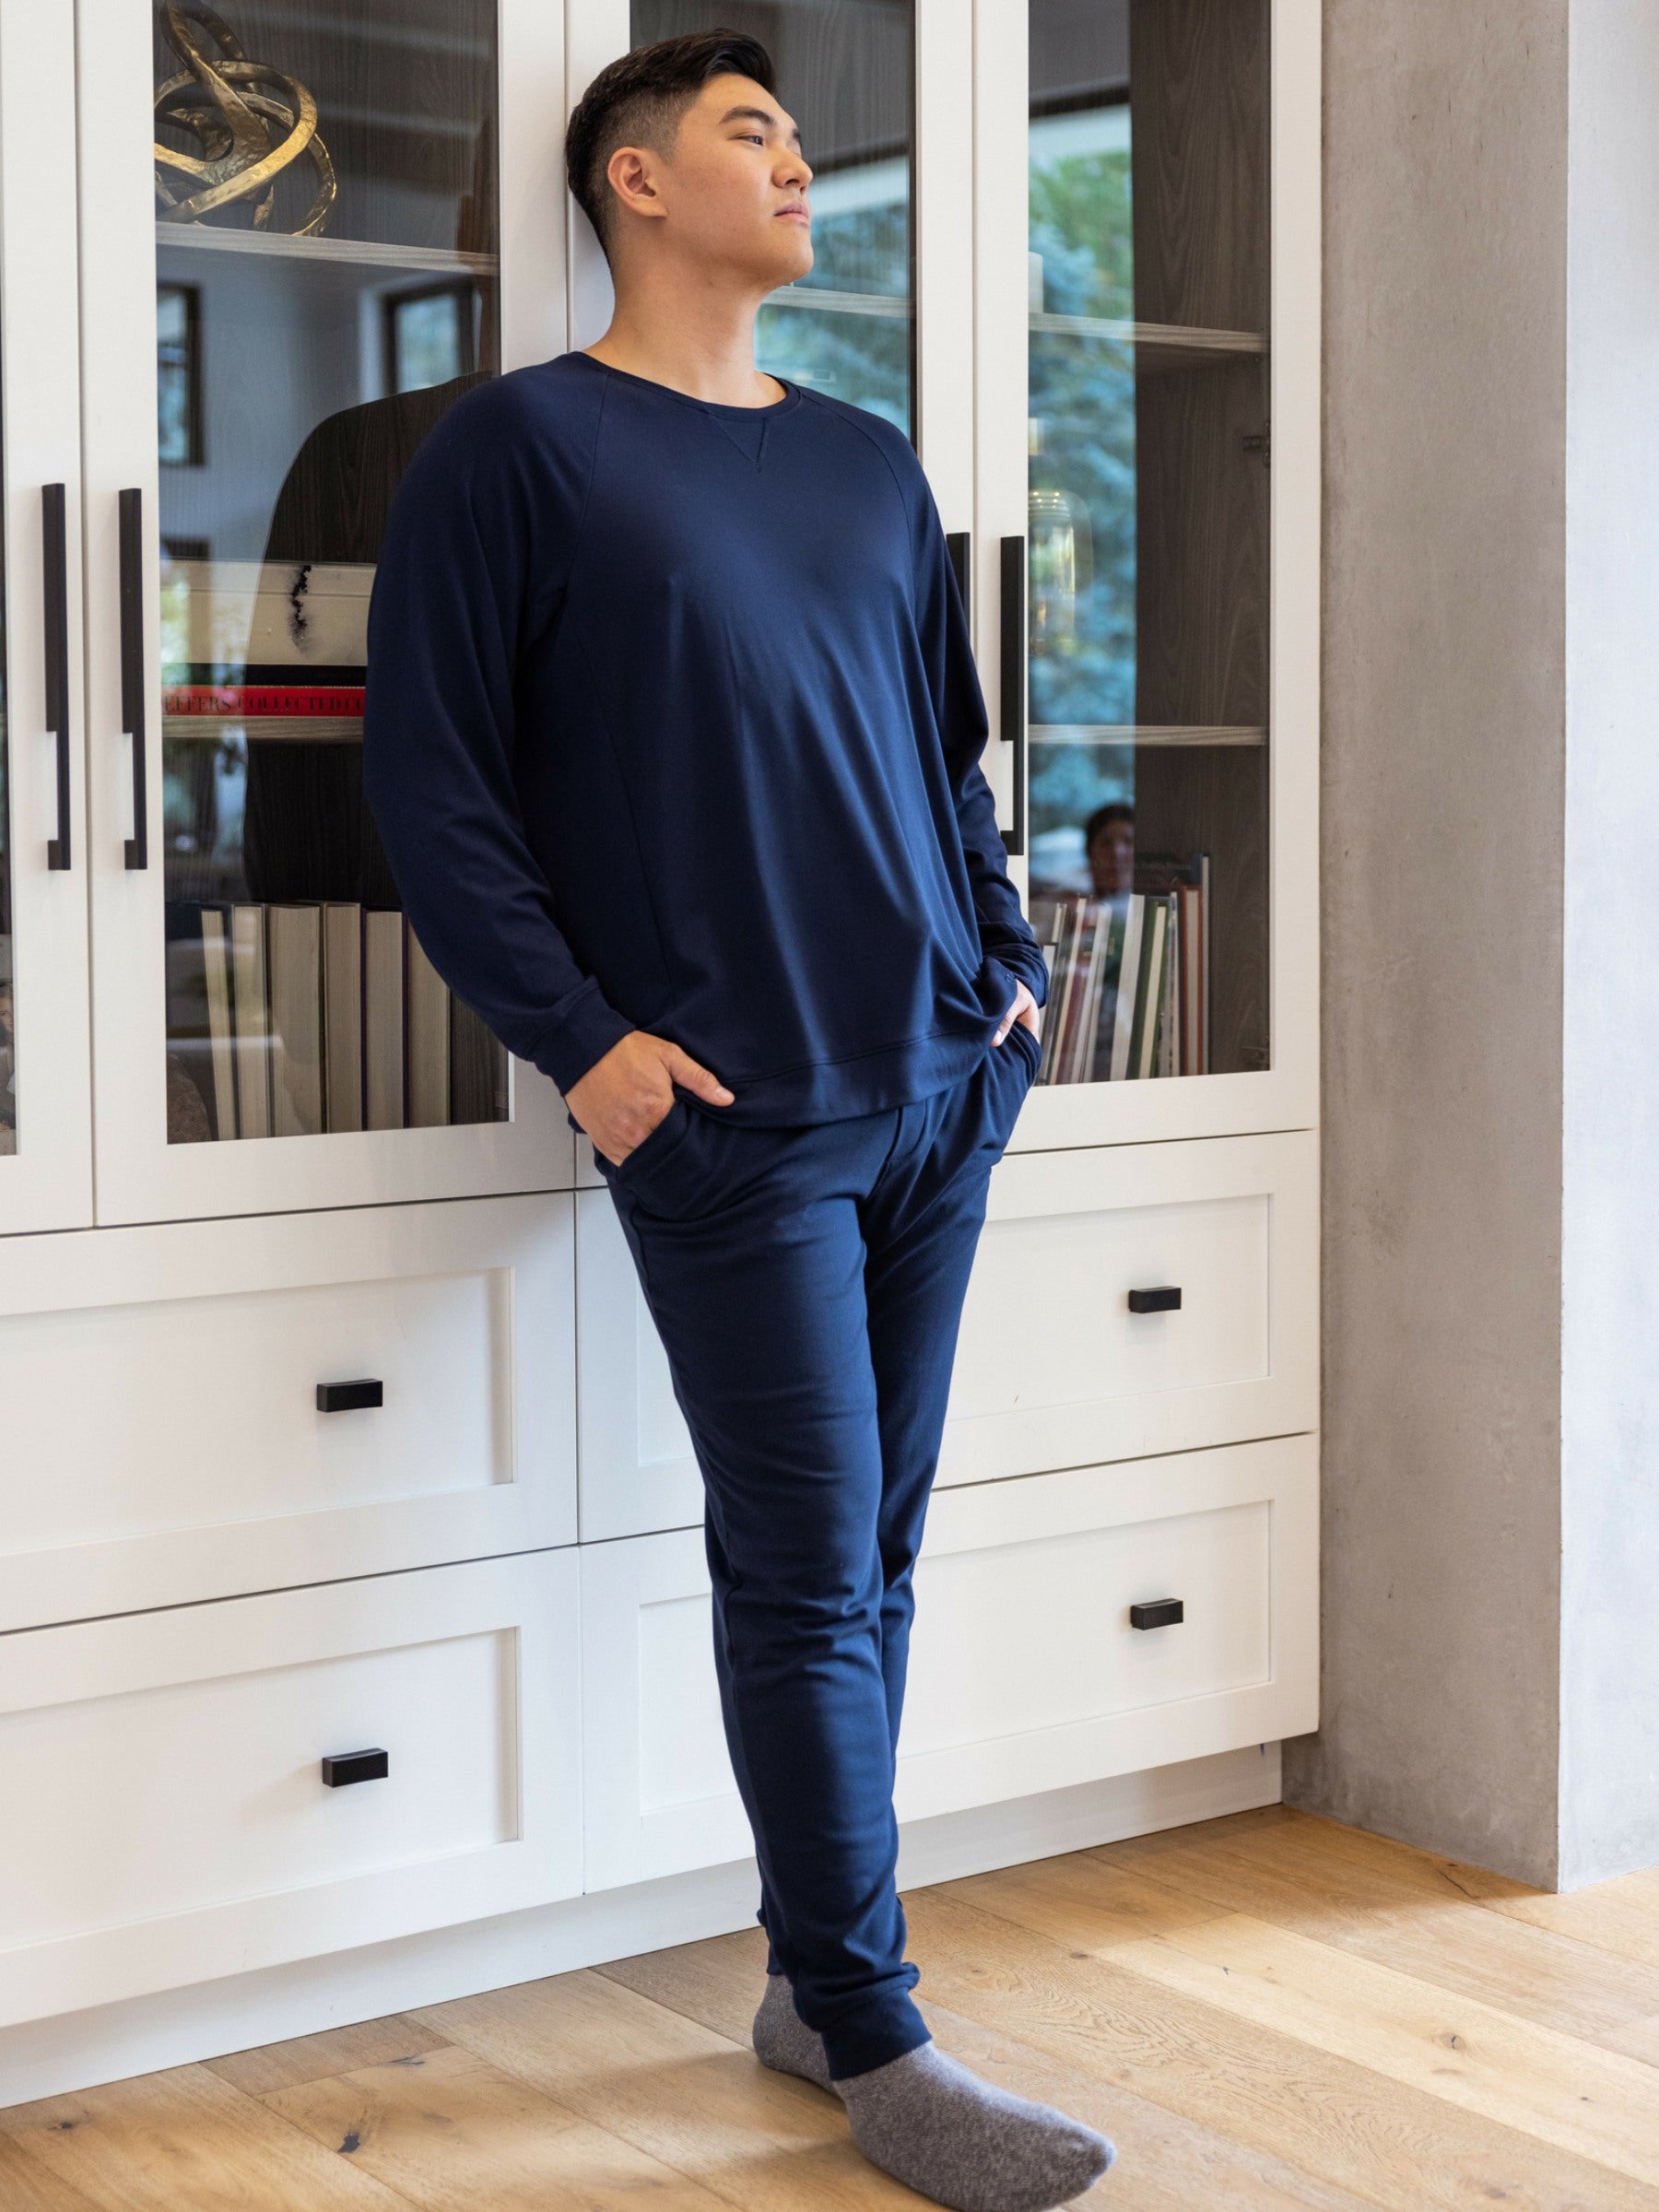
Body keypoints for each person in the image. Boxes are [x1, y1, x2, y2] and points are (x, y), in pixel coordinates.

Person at [361, 29, 1116, 2211]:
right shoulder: (518, 451)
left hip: (938, 1088)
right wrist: (585, 1049)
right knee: (802, 1573)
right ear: (634, 182)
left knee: (868, 1562)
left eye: (794, 135)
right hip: (733, 1123)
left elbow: (945, 751)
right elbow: (436, 791)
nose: (799, 163)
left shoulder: (871, 466)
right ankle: (877, 2040)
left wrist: (1010, 976)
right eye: (752, 134)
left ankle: (811, 1976)